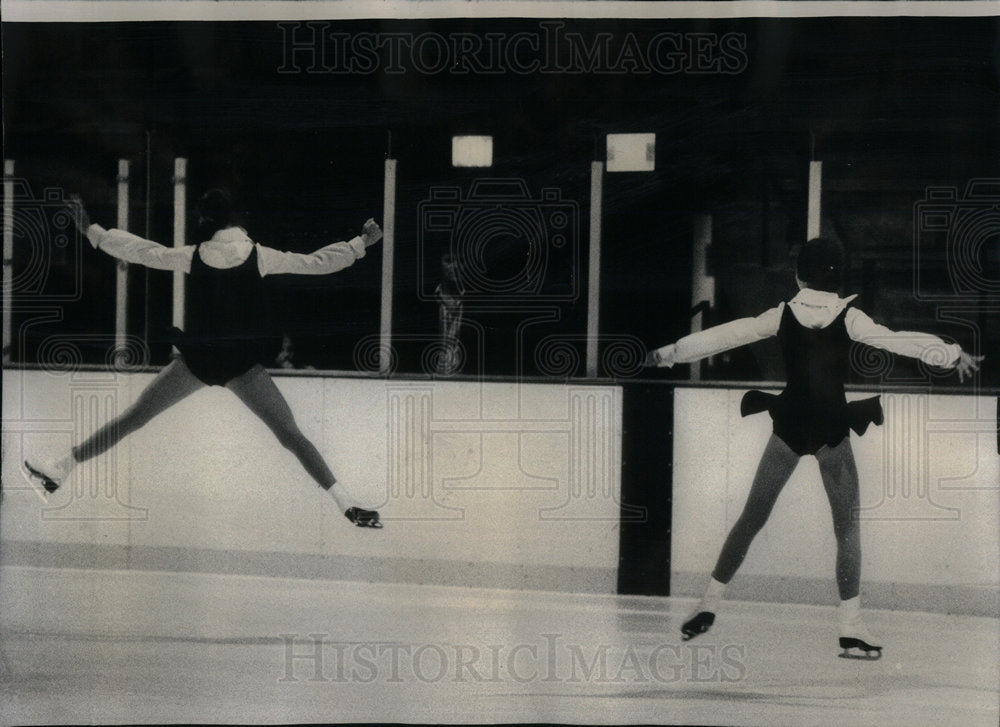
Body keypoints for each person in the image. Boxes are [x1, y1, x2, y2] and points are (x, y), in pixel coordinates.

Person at [645, 237, 983, 659]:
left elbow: (728, 335)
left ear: (798, 275)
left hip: (789, 424)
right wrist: (950, 353)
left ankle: (709, 604)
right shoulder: (851, 317)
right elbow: (897, 341)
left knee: (752, 519)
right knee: (846, 530)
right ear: (839, 277)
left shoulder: (781, 314)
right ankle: (849, 627)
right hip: (830, 428)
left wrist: (671, 353)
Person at [23, 189, 384, 528]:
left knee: (133, 418)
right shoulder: (258, 255)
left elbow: (142, 250)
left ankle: (59, 469)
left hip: (198, 361)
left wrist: (91, 229)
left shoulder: (194, 254)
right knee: (291, 436)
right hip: (241, 365)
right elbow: (316, 263)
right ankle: (347, 505)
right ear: (233, 219)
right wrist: (360, 243)